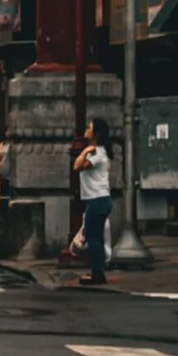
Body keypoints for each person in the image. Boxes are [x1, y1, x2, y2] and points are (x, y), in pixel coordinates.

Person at [71, 116, 114, 282]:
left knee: (92, 237)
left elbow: (77, 166)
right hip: (98, 199)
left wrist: (83, 152)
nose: (86, 130)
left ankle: (98, 273)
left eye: (90, 128)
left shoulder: (98, 152)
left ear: (96, 133)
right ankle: (98, 270)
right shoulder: (96, 151)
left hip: (98, 199)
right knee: (96, 236)